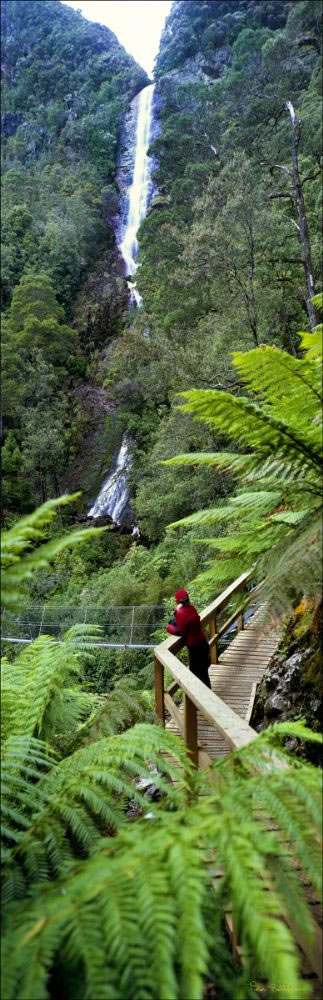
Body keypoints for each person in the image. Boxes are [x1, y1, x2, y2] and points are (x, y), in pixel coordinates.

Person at [166, 588, 211, 689]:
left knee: (195, 676)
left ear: (177, 601)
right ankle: (208, 697)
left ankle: (200, 702)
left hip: (195, 648)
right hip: (203, 643)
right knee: (204, 675)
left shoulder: (180, 612)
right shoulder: (192, 608)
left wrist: (168, 627)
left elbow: (181, 631)